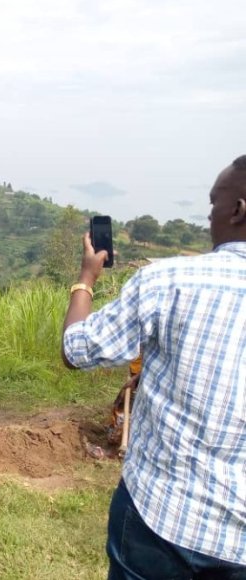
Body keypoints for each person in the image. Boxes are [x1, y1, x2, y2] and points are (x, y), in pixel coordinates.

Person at [61, 156, 246, 577]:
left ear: (237, 211)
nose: (209, 214)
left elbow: (76, 350)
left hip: (160, 519)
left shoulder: (170, 280)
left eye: (214, 202)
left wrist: (85, 280)